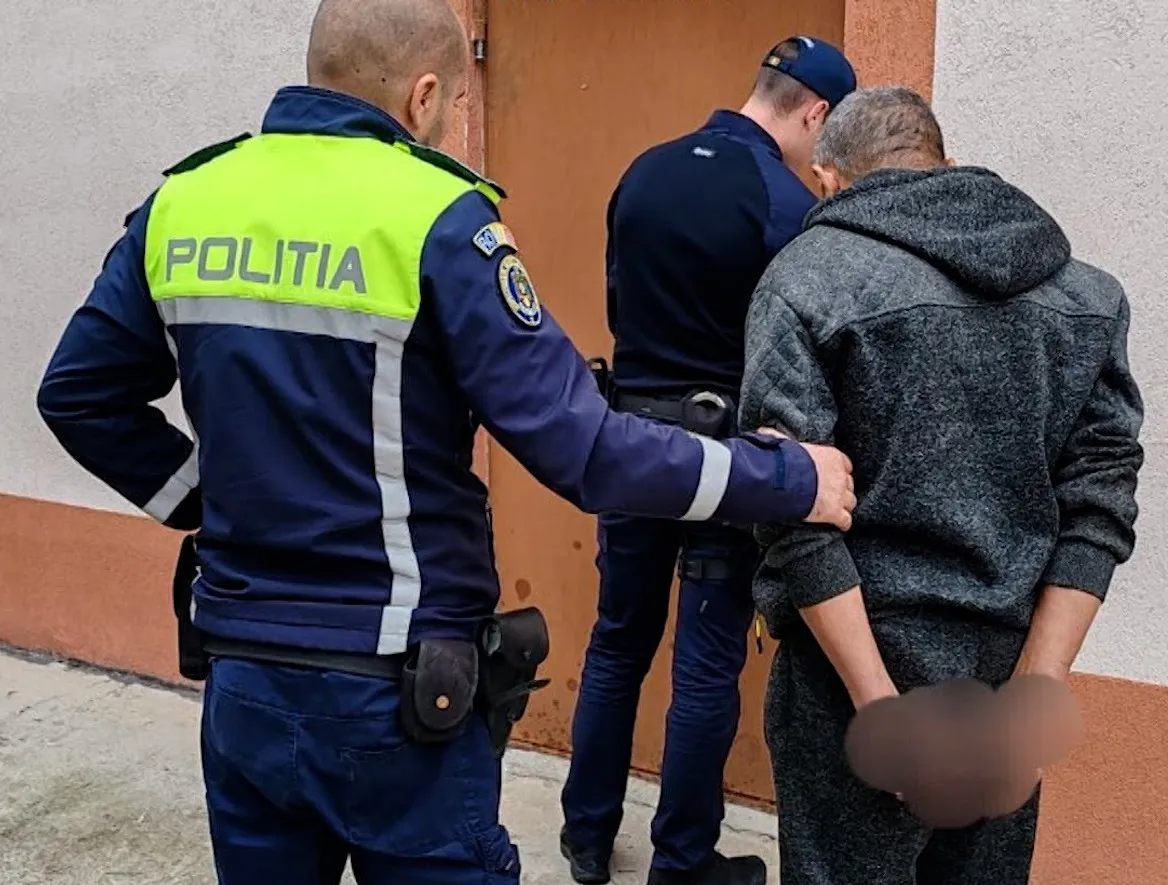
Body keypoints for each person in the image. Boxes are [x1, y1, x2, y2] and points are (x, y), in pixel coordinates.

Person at [34, 2, 859, 884]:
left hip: (244, 678)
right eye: (458, 100)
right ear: (423, 94)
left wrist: (207, 496)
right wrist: (784, 476)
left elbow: (78, 395)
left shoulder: (185, 201)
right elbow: (583, 450)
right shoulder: (436, 216)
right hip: (394, 693)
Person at [739, 86, 1145, 885]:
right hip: (1007, 675)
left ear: (828, 180)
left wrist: (880, 707)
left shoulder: (805, 280)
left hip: (849, 679)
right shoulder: (1086, 297)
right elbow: (1100, 501)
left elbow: (793, 510)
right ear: (944, 164)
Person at [560, 36, 857, 885]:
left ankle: (586, 836)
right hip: (725, 461)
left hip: (628, 444)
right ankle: (682, 862)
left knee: (618, 639)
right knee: (705, 662)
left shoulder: (643, 172)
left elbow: (618, 300)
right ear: (816, 113)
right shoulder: (785, 204)